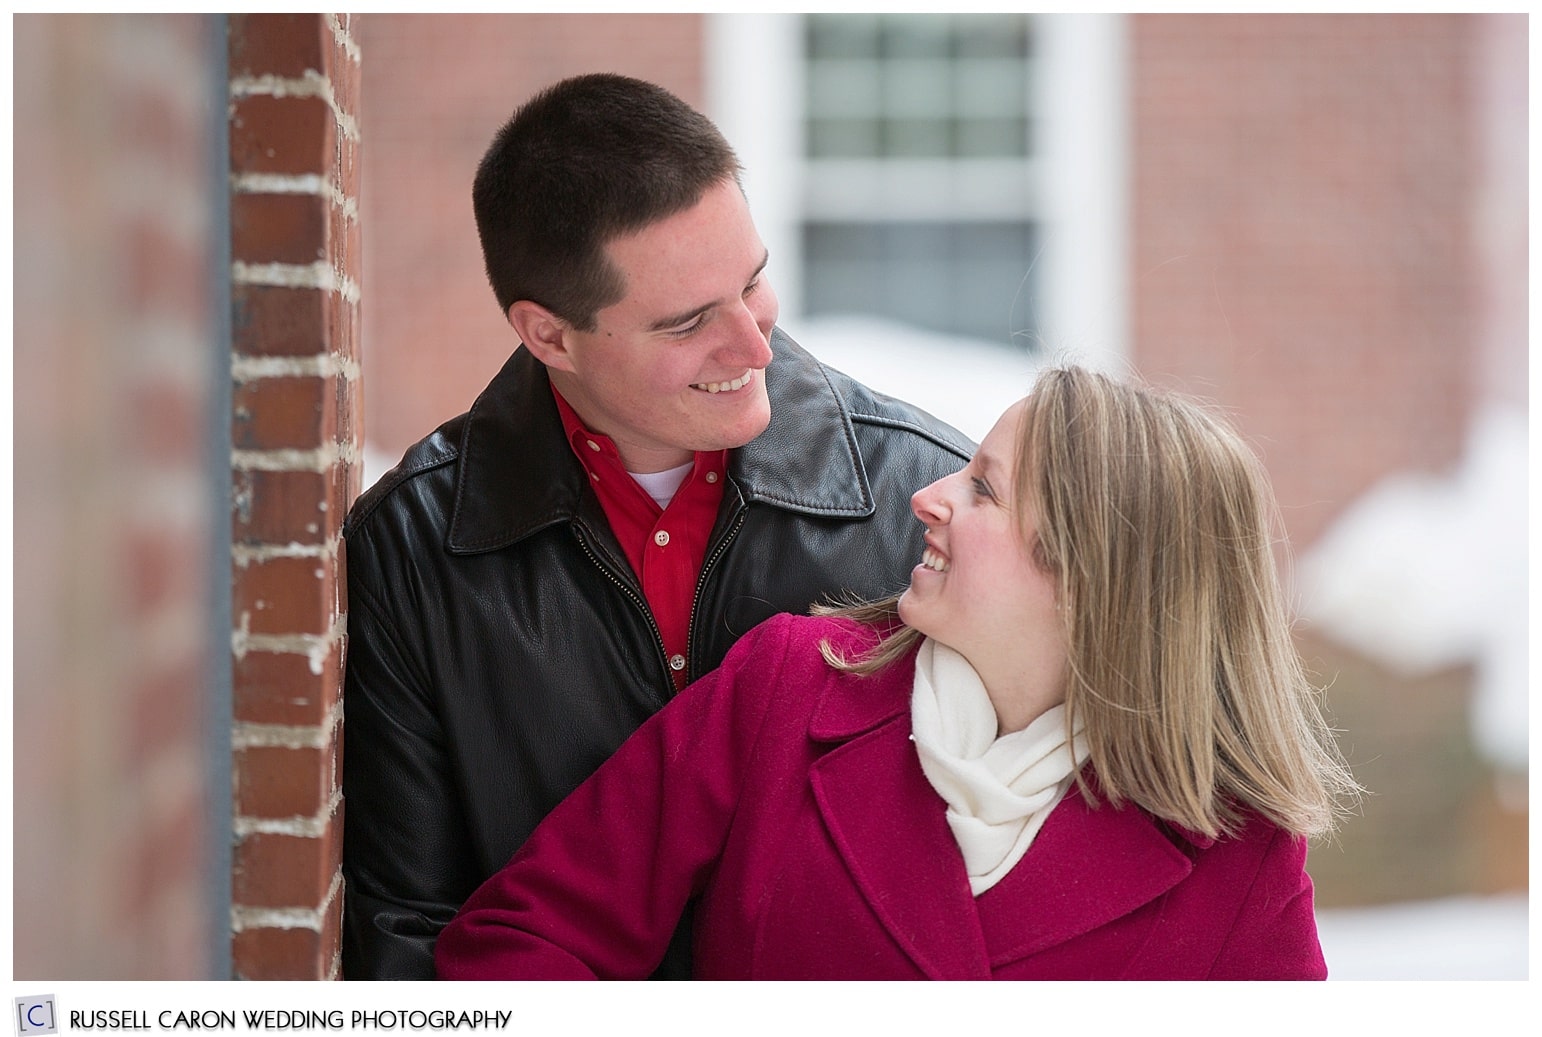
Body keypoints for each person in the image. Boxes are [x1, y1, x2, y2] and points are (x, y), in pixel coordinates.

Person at [340, 73, 974, 979]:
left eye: (753, 282)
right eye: (688, 322)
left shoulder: (924, 494)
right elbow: (408, 928)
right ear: (550, 336)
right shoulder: (412, 545)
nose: (755, 347)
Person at [435, 365, 1363, 981]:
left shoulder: (1239, 856)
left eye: (984, 489)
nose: (928, 496)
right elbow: (524, 942)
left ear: (1095, 579)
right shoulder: (785, 690)